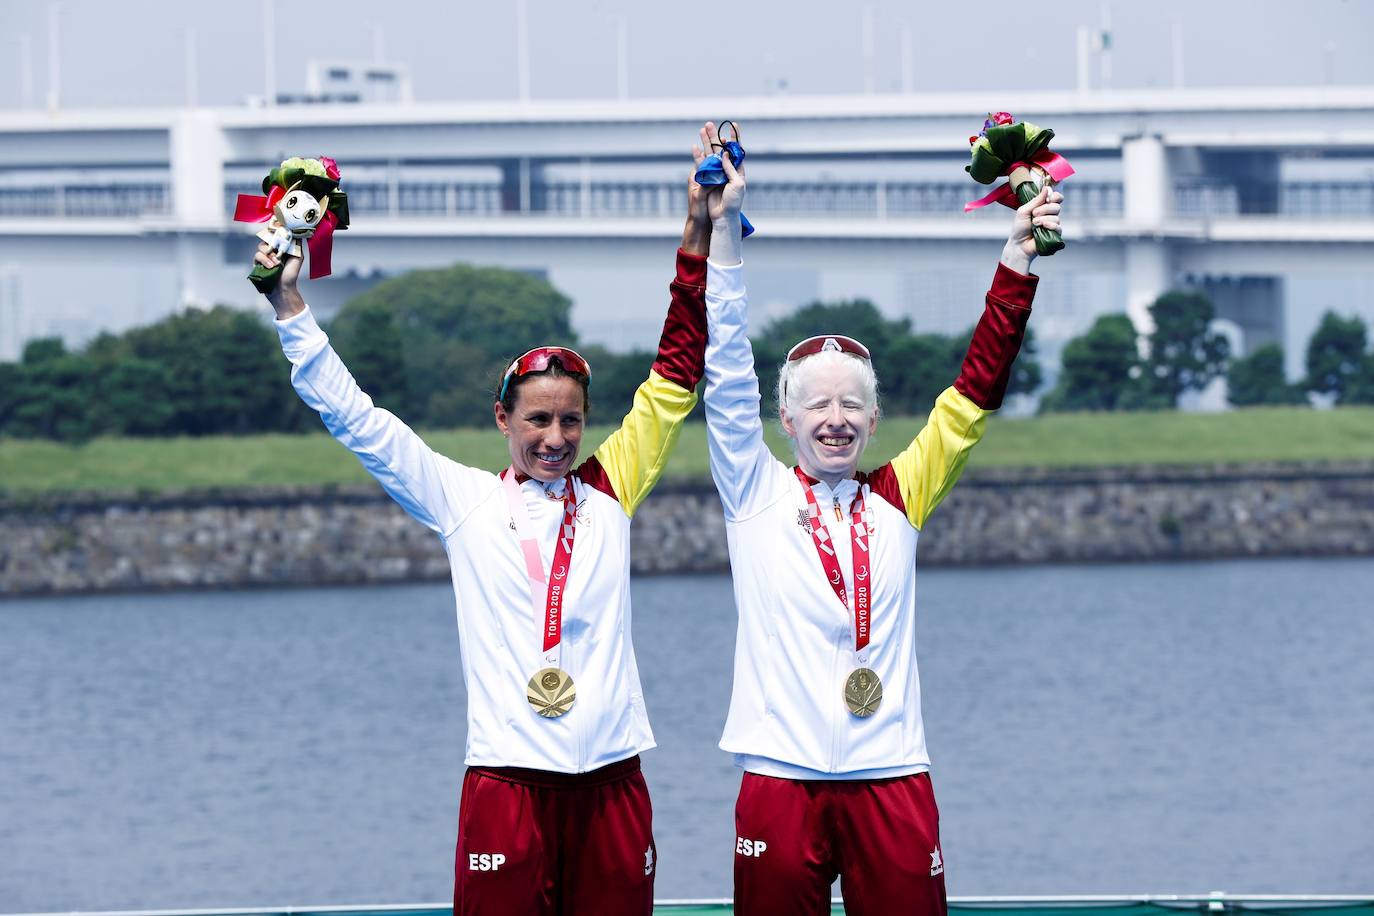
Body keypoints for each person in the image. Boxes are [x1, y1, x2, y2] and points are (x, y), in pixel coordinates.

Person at [253, 133, 717, 916]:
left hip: (612, 782)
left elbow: (675, 371)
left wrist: (697, 233)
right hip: (505, 782)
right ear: (503, 418)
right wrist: (288, 305)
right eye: (537, 419)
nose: (555, 439)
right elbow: (357, 419)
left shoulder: (614, 483)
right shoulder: (460, 497)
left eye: (571, 422)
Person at [699, 122, 1064, 915]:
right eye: (817, 405)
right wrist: (723, 228)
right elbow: (726, 369)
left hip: (893, 776)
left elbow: (976, 388)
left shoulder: (905, 491)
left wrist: (1018, 260)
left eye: (851, 405)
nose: (835, 418)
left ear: (874, 418)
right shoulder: (752, 490)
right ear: (786, 421)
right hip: (780, 781)